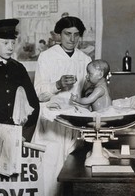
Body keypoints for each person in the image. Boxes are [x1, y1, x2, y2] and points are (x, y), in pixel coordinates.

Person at [32, 16, 92, 196]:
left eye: (76, 35)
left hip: (75, 122)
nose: (72, 39)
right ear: (59, 35)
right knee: (50, 174)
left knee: (74, 172)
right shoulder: (47, 56)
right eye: (67, 34)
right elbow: (38, 93)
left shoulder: (85, 60)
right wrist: (57, 85)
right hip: (52, 123)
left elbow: (87, 93)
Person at [0, 18, 40, 142]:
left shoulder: (18, 68)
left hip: (17, 135)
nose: (11, 48)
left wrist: (25, 135)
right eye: (5, 43)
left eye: (13, 43)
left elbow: (33, 104)